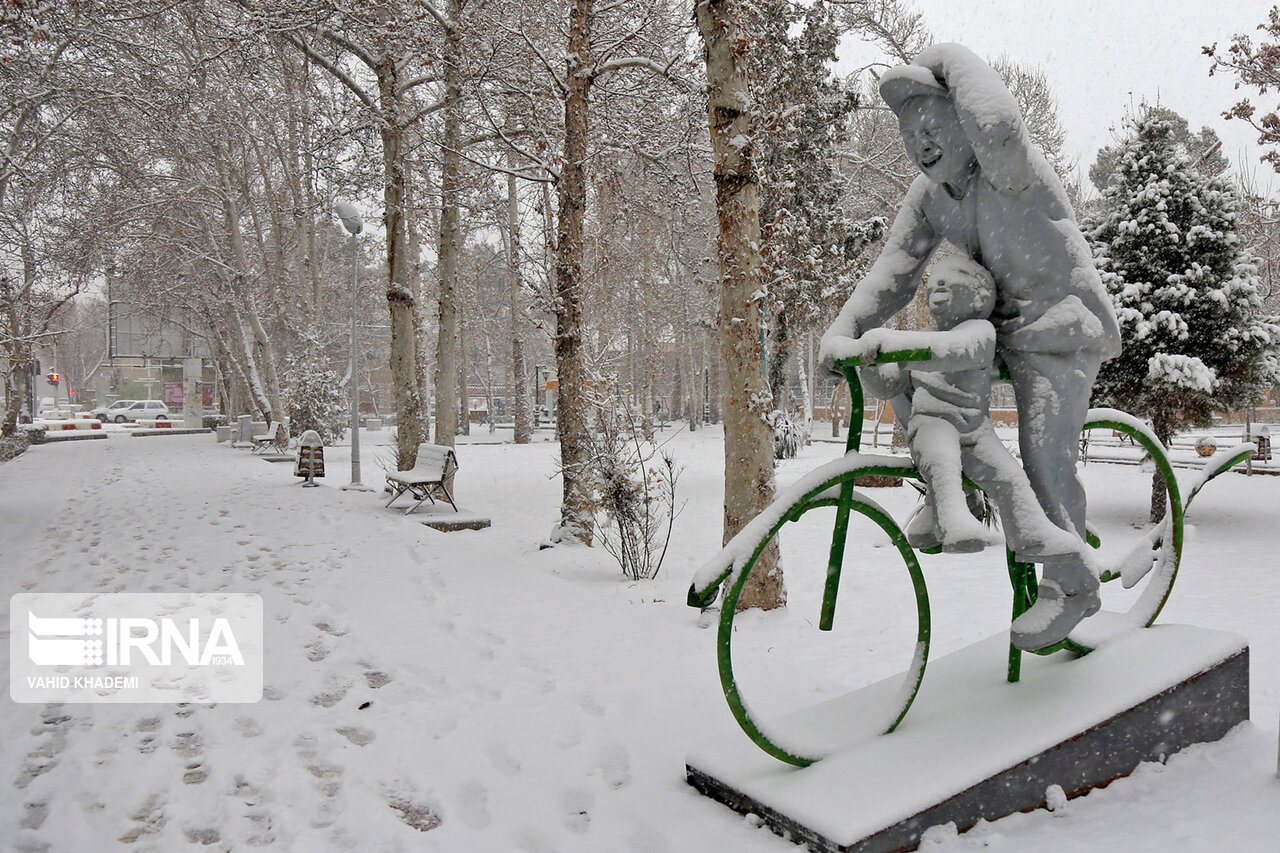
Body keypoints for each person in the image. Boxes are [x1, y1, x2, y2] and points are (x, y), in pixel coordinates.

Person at [818, 44, 1121, 651]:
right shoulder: (929, 197)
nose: (921, 143)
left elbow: (1001, 123)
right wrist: (843, 332)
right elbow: (895, 271)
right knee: (913, 380)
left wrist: (948, 61)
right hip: (990, 325)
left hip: (1057, 324)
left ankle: (1071, 584)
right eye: (909, 134)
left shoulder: (1010, 165)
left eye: (933, 125)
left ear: (963, 118)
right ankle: (945, 492)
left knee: (1043, 453)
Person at [849, 254, 1085, 565]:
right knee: (941, 457)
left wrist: (890, 345)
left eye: (953, 276)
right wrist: (870, 364)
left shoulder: (980, 333)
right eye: (934, 281)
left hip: (974, 430)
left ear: (980, 296)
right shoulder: (922, 337)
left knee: (1008, 476)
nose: (939, 283)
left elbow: (948, 353)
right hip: (932, 423)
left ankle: (1031, 532)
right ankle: (952, 521)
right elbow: (888, 386)